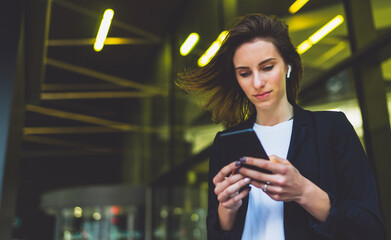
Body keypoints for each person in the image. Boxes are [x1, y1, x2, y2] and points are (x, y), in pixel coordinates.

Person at [177, 14, 386, 240]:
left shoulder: (331, 130)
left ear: (287, 66)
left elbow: (370, 229)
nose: (257, 83)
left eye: (267, 67)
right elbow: (217, 233)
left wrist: (304, 191)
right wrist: (226, 210)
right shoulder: (227, 143)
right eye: (245, 73)